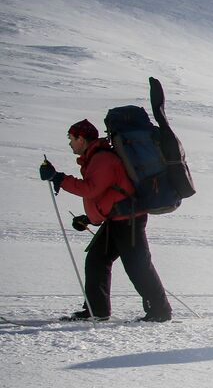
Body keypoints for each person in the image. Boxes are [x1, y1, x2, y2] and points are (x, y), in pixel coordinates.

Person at [39, 119, 172, 322]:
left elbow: (90, 189)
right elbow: (108, 194)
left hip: (129, 221)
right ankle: (97, 310)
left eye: (71, 138)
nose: (69, 143)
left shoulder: (102, 159)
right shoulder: (95, 158)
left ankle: (161, 311)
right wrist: (90, 219)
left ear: (81, 138)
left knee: (138, 265)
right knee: (96, 260)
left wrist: (59, 178)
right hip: (117, 219)